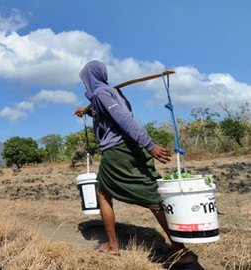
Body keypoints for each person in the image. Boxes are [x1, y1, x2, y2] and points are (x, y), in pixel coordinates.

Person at [73, 60, 194, 265]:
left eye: (85, 80)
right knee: (105, 192)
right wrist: (85, 111)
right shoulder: (110, 94)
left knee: (152, 199)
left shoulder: (102, 94)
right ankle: (114, 246)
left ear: (89, 78)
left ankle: (180, 251)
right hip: (126, 150)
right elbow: (107, 115)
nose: (85, 84)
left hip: (119, 152)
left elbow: (125, 120)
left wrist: (150, 145)